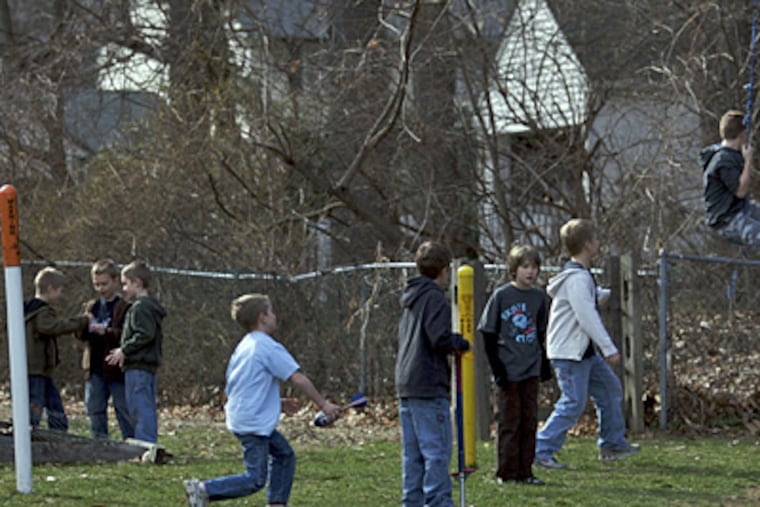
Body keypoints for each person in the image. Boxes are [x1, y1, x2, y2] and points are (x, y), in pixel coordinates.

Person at [182, 293, 341, 507]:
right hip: (252, 422)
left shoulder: (245, 346)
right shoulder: (267, 347)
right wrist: (324, 404)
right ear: (262, 317)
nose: (275, 316)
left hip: (245, 415)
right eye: (271, 311)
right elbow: (298, 378)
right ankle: (203, 489)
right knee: (255, 479)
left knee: (284, 455)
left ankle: (277, 503)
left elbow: (243, 383)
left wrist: (277, 403)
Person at [534, 219, 639, 469]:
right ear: (588, 244)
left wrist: (610, 293)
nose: (598, 243)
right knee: (573, 402)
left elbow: (588, 300)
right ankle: (540, 449)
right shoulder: (577, 279)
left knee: (609, 389)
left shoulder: (581, 277)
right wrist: (609, 348)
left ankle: (612, 443)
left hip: (583, 352)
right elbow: (586, 315)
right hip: (570, 353)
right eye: (596, 239)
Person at [395, 241, 470, 507]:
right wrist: (460, 342)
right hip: (428, 384)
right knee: (436, 451)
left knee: (412, 454)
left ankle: (412, 501)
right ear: (444, 270)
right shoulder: (435, 298)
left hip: (407, 383)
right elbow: (438, 338)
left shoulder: (411, 297)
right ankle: (438, 501)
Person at [478, 243, 549, 486]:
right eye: (525, 267)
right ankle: (506, 472)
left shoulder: (539, 297)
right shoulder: (502, 296)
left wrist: (544, 364)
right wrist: (498, 369)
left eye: (534, 267)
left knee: (529, 421)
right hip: (508, 370)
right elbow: (487, 332)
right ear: (514, 270)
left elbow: (541, 332)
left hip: (530, 367)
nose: (530, 272)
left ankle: (525, 471)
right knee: (510, 421)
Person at [105, 260, 166, 444]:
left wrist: (125, 350)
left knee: (140, 406)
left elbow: (144, 334)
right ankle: (145, 441)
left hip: (139, 365)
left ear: (137, 282)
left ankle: (145, 443)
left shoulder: (140, 307)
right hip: (142, 365)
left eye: (125, 284)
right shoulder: (146, 306)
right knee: (141, 404)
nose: (123, 289)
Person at [24, 267, 91, 431]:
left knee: (53, 403)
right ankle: (31, 431)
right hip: (35, 369)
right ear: (50, 289)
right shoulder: (41, 311)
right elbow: (53, 327)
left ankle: (59, 431)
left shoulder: (27, 309)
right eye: (60, 290)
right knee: (35, 402)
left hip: (42, 369)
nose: (61, 295)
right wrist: (82, 321)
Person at [76, 258, 133, 439]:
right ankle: (99, 442)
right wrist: (84, 326)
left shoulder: (124, 308)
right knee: (94, 408)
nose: (101, 289)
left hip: (116, 368)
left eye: (105, 284)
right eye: (97, 284)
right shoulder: (90, 306)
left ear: (116, 281)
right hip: (94, 367)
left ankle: (130, 442)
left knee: (123, 408)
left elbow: (126, 335)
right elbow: (79, 335)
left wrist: (106, 332)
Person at [702, 109, 760, 245]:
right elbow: (740, 191)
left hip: (740, 209)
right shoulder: (723, 160)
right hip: (727, 220)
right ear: (741, 135)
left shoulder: (731, 154)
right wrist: (748, 161)